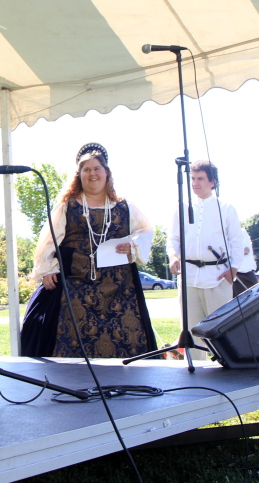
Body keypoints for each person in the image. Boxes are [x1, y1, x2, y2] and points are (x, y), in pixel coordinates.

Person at [20, 143, 157, 358]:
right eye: (86, 170)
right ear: (79, 175)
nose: (92, 173)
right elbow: (50, 240)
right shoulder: (68, 205)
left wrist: (133, 243)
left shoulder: (124, 206)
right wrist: (47, 269)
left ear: (106, 172)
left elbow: (146, 230)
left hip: (120, 287)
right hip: (74, 284)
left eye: (97, 168)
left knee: (125, 338)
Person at [167, 160, 249, 360]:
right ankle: (195, 373)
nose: (195, 183)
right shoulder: (182, 207)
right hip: (189, 276)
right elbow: (173, 238)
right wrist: (173, 257)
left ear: (212, 182)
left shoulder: (226, 208)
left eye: (200, 179)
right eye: (193, 179)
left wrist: (234, 269)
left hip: (217, 276)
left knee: (220, 330)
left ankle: (224, 372)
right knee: (191, 331)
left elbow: (236, 241)